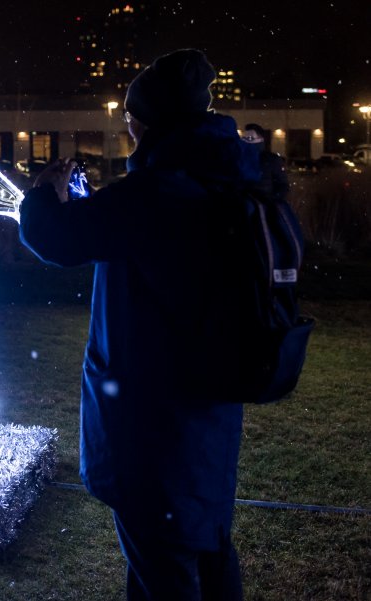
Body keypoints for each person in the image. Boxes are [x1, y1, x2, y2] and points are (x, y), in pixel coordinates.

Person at [19, 49, 258, 600]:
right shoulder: (226, 179)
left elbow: (56, 239)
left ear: (150, 123)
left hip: (150, 418)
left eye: (131, 120)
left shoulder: (155, 193)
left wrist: (44, 194)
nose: (127, 129)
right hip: (210, 404)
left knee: (162, 568)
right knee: (207, 546)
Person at [242, 122, 289, 202]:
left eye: (250, 138)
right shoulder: (238, 158)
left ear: (260, 140)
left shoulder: (271, 159)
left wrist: (270, 199)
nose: (246, 142)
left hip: (263, 202)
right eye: (244, 138)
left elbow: (282, 185)